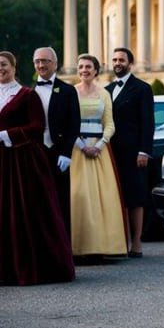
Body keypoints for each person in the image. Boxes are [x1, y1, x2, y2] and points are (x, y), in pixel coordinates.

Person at [0, 51, 75, 285]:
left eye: (3, 64)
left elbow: (36, 127)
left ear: (13, 66)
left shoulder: (27, 95)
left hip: (20, 162)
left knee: (23, 213)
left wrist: (6, 135)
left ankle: (27, 267)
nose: (0, 69)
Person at [70, 54, 127, 260]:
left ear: (96, 70)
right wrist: (81, 145)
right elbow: (68, 124)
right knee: (79, 196)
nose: (84, 70)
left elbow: (109, 124)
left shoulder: (104, 94)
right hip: (77, 149)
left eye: (88, 67)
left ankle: (101, 246)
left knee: (103, 198)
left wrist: (101, 144)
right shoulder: (71, 93)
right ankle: (77, 247)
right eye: (81, 66)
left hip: (99, 151)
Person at [106, 47, 154, 258]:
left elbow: (148, 123)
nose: (117, 63)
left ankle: (136, 244)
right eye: (115, 59)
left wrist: (144, 151)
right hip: (110, 152)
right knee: (117, 197)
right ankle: (120, 243)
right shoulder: (106, 90)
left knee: (135, 197)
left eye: (121, 60)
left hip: (134, 152)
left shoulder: (142, 89)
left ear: (130, 63)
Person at [33, 46, 81, 232]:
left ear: (55, 63)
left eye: (45, 61)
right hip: (35, 153)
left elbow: (74, 124)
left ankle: (63, 252)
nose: (41, 65)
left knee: (61, 202)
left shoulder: (68, 90)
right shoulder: (28, 92)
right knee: (37, 202)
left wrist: (67, 153)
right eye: (37, 61)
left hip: (58, 152)